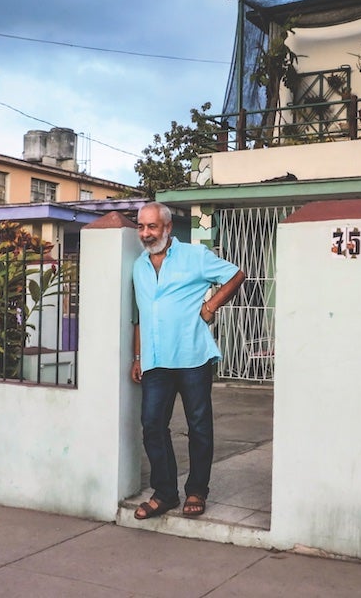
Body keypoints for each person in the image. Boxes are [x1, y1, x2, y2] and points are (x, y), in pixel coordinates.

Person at [130, 201, 245, 519]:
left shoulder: (195, 257)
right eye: (141, 226)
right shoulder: (139, 266)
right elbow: (141, 314)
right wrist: (138, 356)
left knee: (198, 426)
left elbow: (236, 274)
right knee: (152, 425)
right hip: (155, 361)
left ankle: (197, 491)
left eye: (152, 226)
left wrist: (211, 307)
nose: (146, 233)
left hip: (192, 355)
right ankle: (165, 493)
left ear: (167, 227)